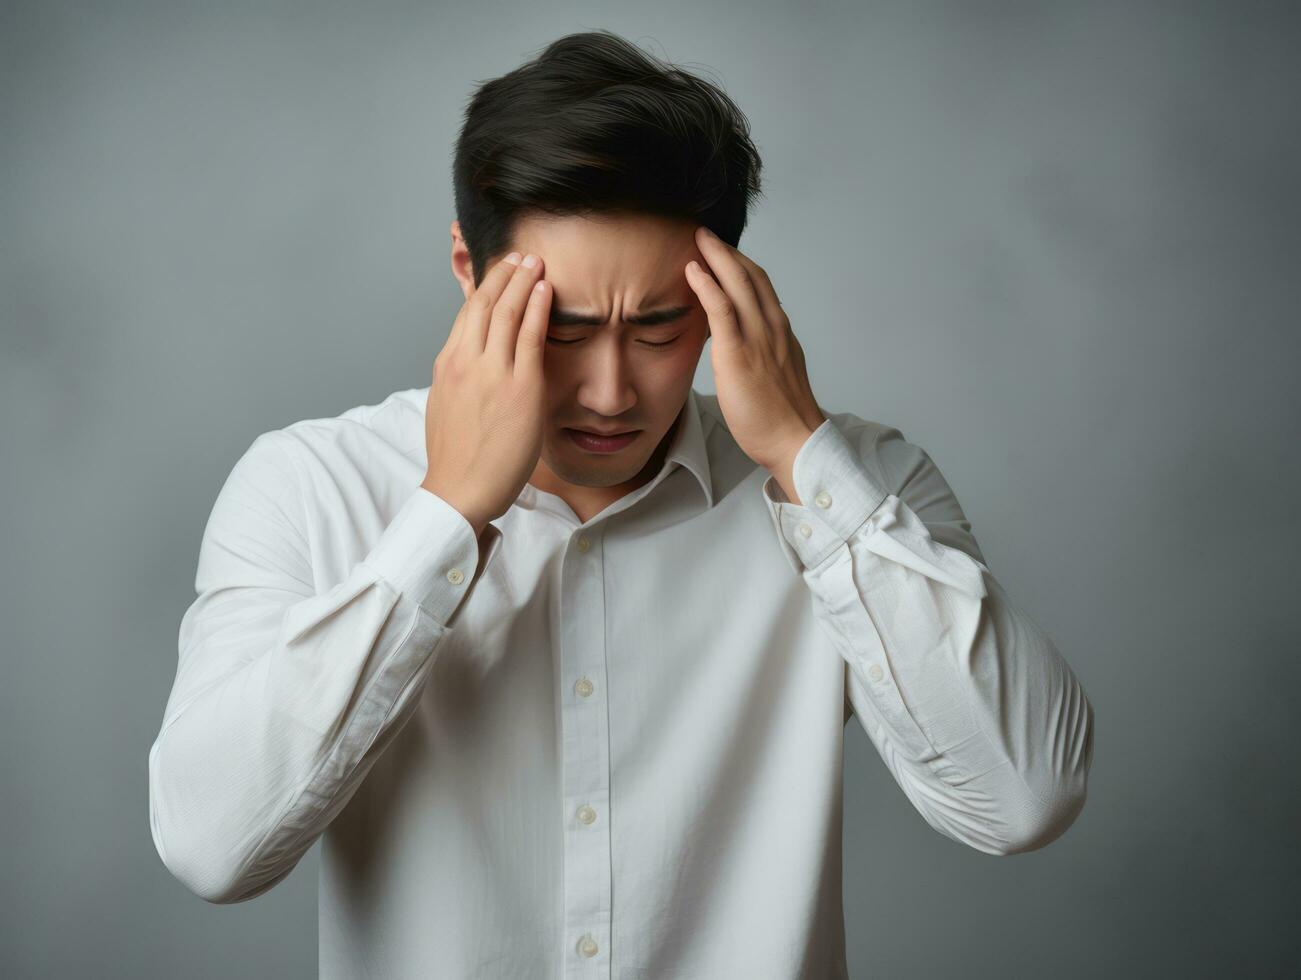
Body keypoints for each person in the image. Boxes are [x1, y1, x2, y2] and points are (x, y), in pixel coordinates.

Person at [148, 29, 1094, 980]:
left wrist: (808, 461)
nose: (609, 392)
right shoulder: (311, 485)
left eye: (657, 326)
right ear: (467, 273)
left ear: (729, 293)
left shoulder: (861, 486)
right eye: (560, 328)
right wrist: (445, 518)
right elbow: (211, 846)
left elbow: (1021, 800)